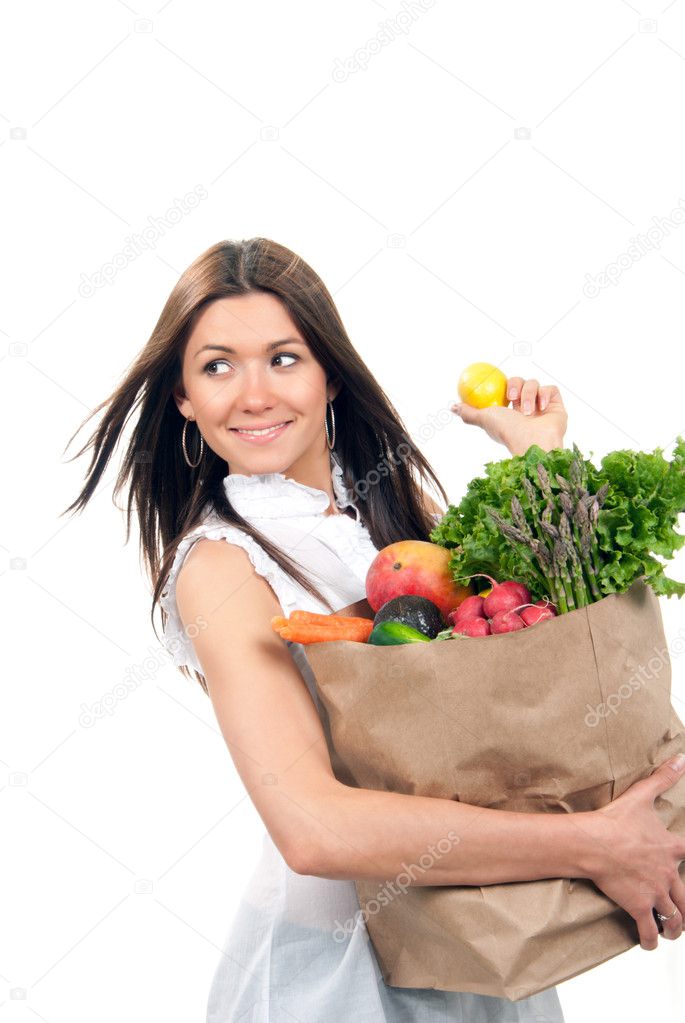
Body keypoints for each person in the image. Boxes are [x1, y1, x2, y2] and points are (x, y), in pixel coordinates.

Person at [62, 238, 685, 1022]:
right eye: (217, 365)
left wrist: (537, 457)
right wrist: (593, 843)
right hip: (337, 983)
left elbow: (514, 685)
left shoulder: (391, 522)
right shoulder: (220, 565)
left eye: (283, 358)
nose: (252, 393)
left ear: (329, 373)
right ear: (183, 397)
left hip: (483, 951)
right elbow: (314, 827)